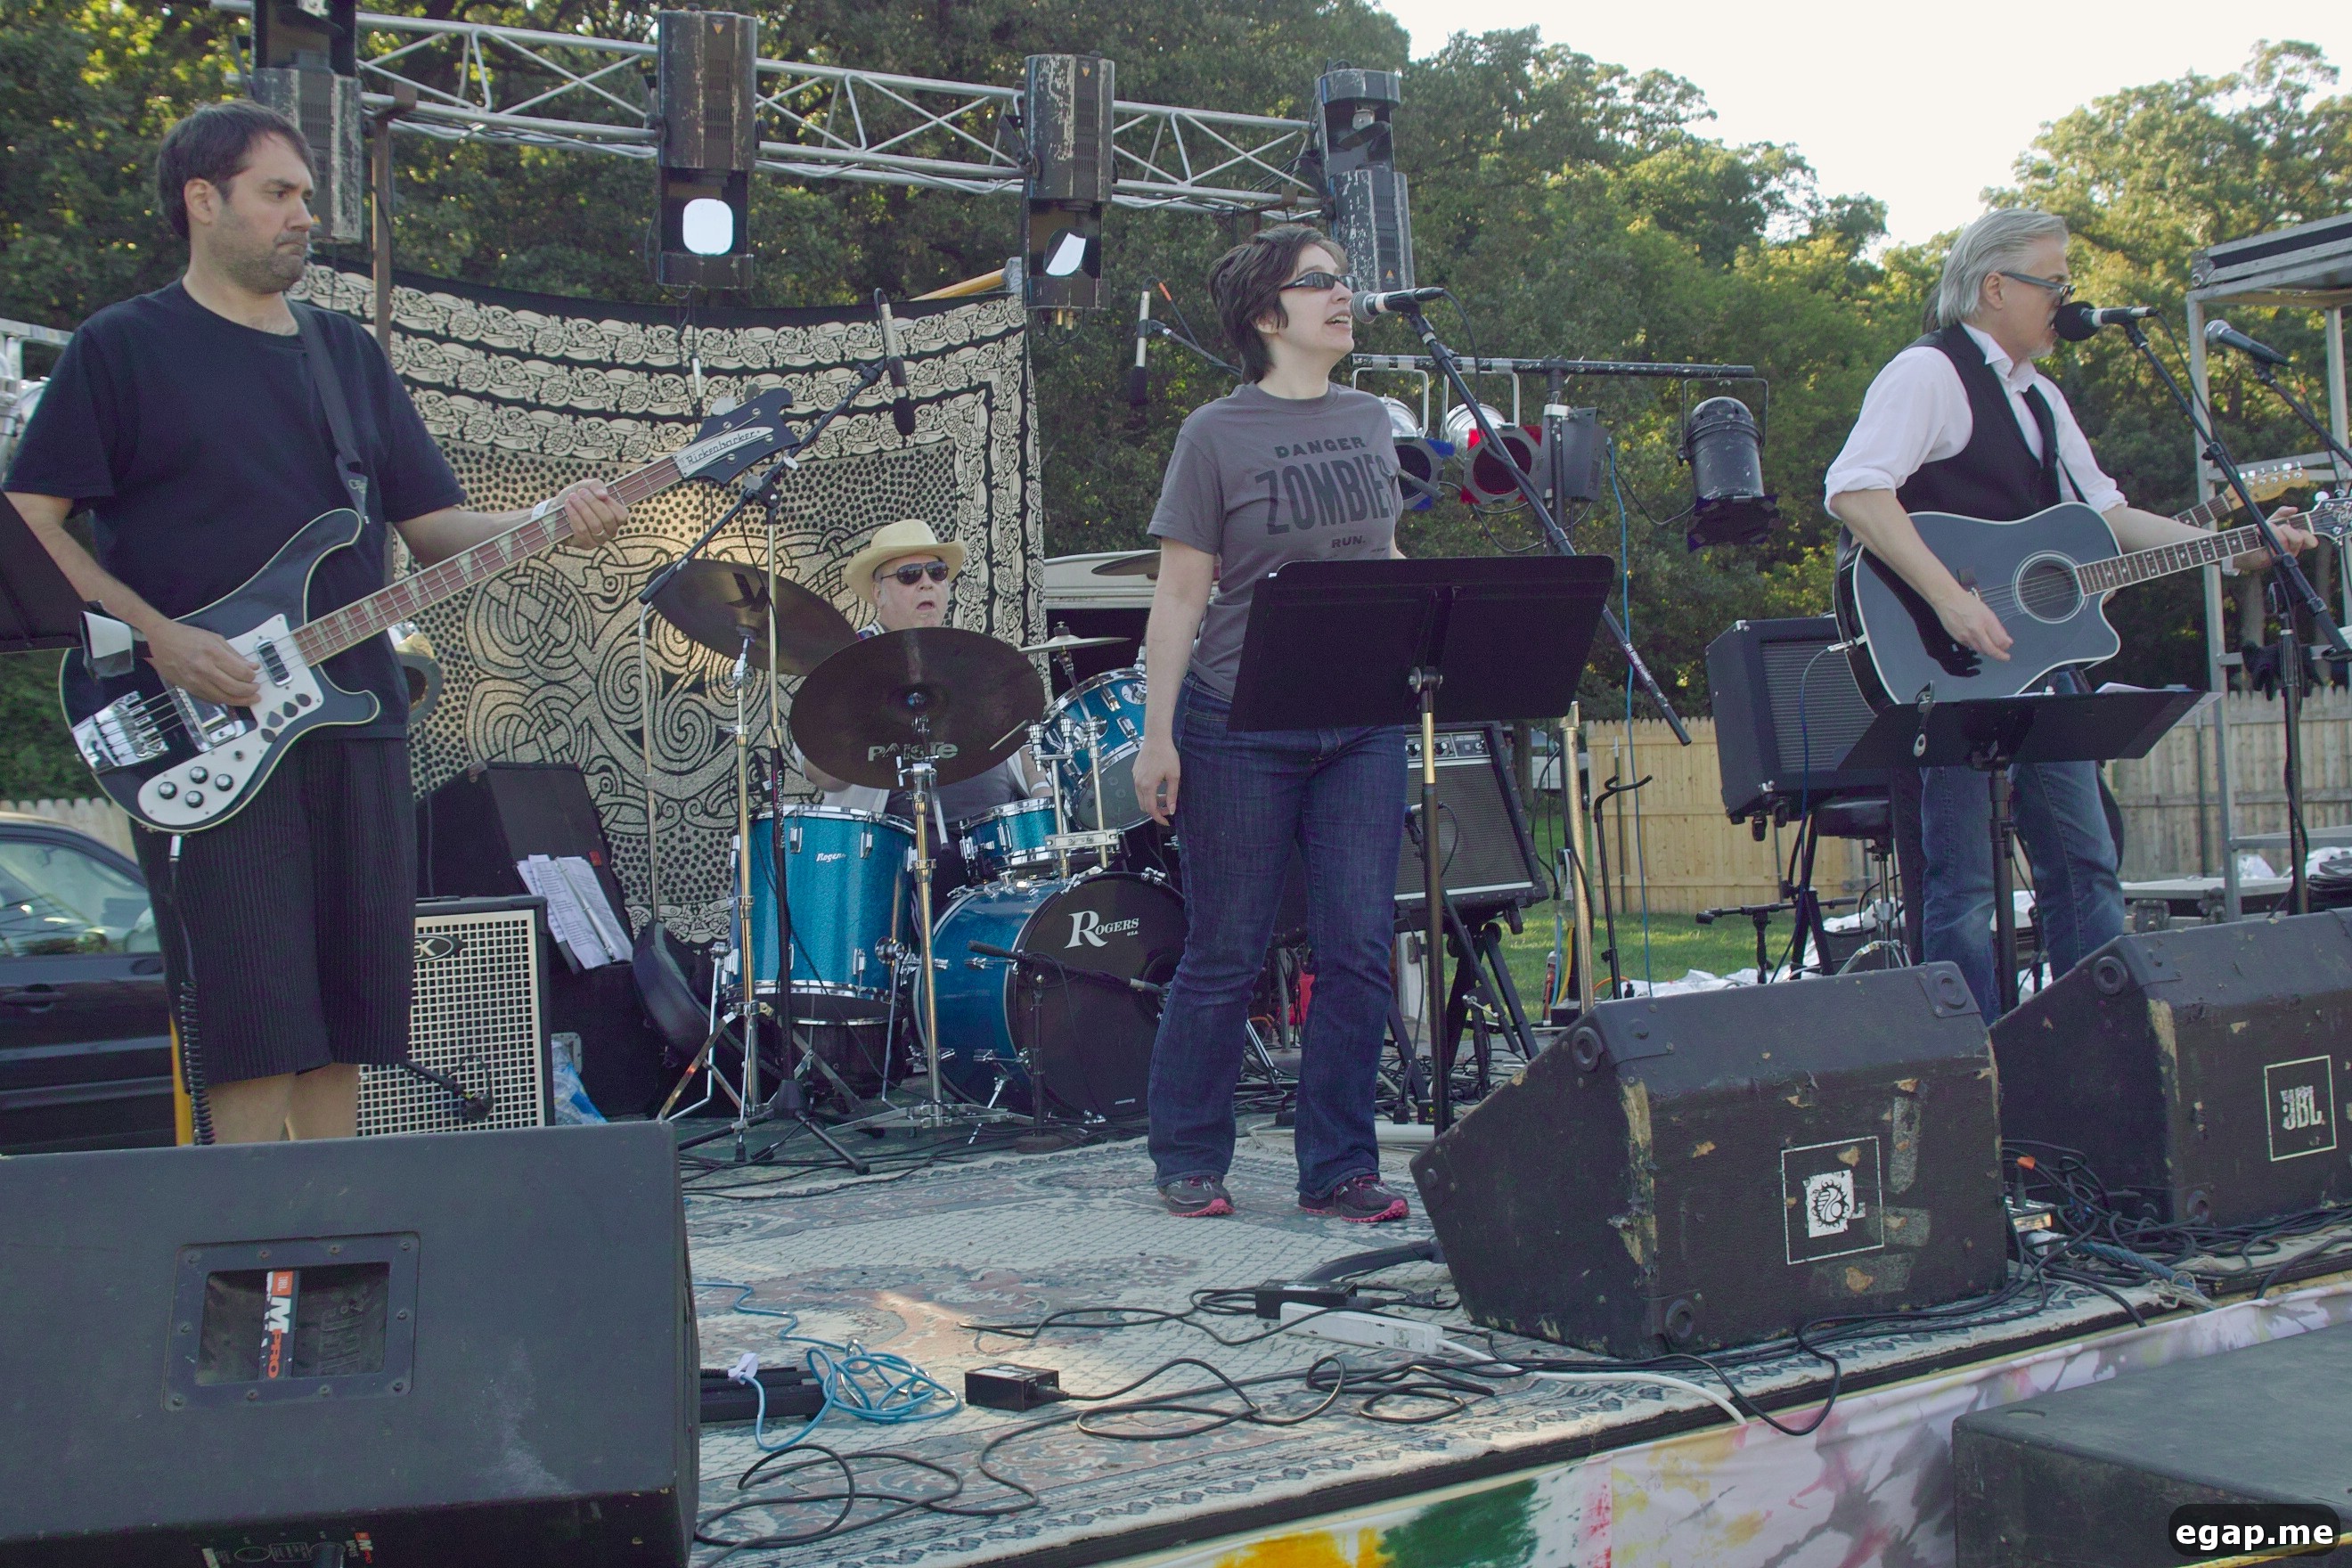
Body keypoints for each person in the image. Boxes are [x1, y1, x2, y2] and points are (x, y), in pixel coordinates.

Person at [4, 101, 627, 1143]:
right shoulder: (123, 346)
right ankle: (248, 1229)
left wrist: (548, 521)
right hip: (204, 720)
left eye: (306, 195)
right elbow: (29, 523)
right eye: (279, 193)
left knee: (353, 1011)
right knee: (253, 1012)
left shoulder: (344, 355)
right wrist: (160, 637)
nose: (305, 215)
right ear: (203, 202)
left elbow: (433, 528)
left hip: (355, 713)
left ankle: (339, 1218)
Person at [1825, 207, 2315, 1020]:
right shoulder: (1928, 374)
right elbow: (1855, 490)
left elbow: (2109, 516)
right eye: (2053, 282)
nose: (2068, 300)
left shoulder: (2041, 398)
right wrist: (1950, 599)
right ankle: (1971, 1059)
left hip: (2038, 665)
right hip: (1946, 664)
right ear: (1994, 288)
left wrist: (2236, 549)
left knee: (2086, 868)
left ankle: (2091, 1042)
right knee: (1962, 886)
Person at [1131, 225, 1410, 1222]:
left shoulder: (1372, 419)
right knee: (1228, 949)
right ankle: (1188, 1152)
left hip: (1361, 719)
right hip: (1238, 720)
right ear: (1265, 314)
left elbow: (1382, 558)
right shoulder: (1214, 434)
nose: (1344, 297)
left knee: (1359, 947)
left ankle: (1338, 1165)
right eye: (1319, 282)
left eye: (1345, 280)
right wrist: (1157, 736)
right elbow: (1179, 594)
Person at [800, 518, 1046, 896]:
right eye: (909, 575)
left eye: (937, 572)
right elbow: (823, 775)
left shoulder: (977, 657)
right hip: (898, 856)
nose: (927, 583)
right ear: (878, 593)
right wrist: (864, 710)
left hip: (999, 842)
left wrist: (1042, 789)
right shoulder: (848, 665)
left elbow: (1020, 734)